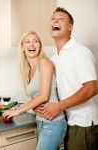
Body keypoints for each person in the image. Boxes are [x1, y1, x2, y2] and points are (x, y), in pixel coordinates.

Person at [34, 7, 98, 150]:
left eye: (61, 19)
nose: (55, 20)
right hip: (66, 122)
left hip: (83, 125)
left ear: (70, 27)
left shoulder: (80, 52)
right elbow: (54, 91)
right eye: (53, 19)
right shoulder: (54, 58)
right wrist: (39, 105)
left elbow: (92, 88)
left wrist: (59, 106)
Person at [3, 31, 67, 150]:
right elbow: (34, 97)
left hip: (53, 123)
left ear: (40, 46)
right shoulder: (28, 70)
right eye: (27, 42)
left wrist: (17, 111)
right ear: (22, 47)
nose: (32, 44)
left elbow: (43, 96)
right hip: (41, 123)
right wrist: (33, 106)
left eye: (35, 41)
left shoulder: (44, 62)